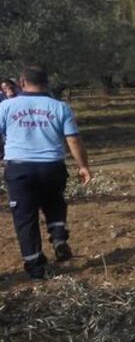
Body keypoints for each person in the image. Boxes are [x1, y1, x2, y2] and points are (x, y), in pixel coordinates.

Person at [1, 66, 92, 279]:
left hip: (20, 168)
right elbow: (73, 139)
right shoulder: (61, 107)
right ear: (47, 82)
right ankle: (59, 237)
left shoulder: (6, 106)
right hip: (52, 165)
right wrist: (83, 166)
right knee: (54, 202)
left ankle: (35, 266)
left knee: (25, 217)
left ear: (22, 82)